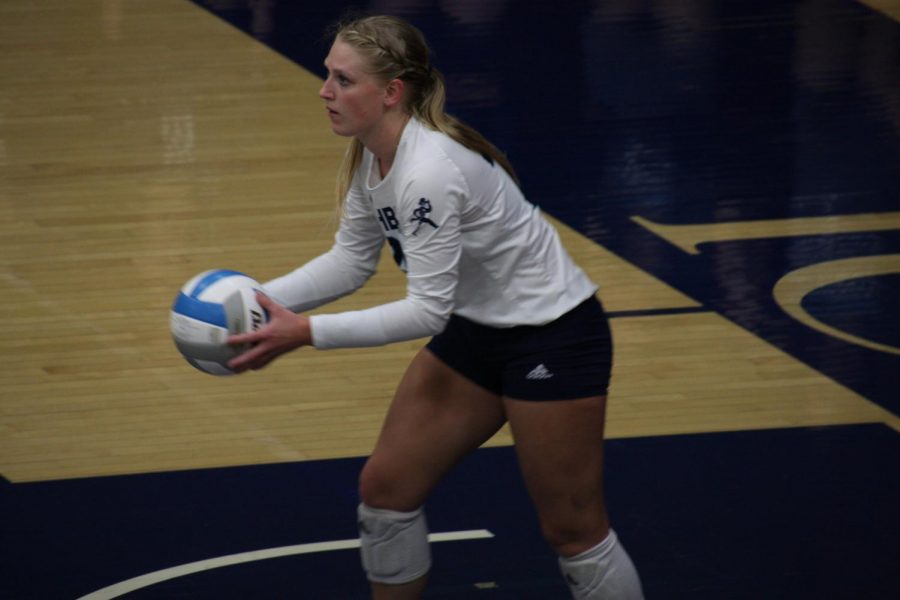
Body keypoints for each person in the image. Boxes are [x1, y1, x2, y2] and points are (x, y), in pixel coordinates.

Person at [227, 14, 644, 600]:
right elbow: (350, 261)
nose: (324, 91)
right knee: (386, 491)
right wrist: (256, 300)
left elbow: (426, 312)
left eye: (343, 81)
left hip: (551, 337)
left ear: (391, 92)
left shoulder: (428, 170)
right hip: (477, 331)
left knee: (572, 528)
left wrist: (305, 333)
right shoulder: (373, 154)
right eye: (328, 76)